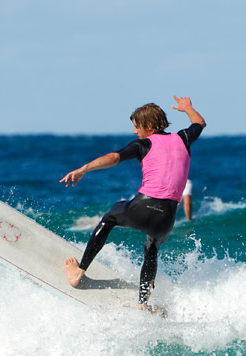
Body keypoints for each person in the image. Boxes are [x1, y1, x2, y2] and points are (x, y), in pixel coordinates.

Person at [60, 95, 206, 312]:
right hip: (167, 218)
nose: (135, 132)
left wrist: (84, 169)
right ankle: (142, 304)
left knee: (110, 217)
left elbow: (114, 156)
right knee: (151, 248)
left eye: (137, 127)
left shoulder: (143, 144)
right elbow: (199, 123)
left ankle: (79, 272)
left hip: (143, 207)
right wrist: (187, 107)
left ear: (148, 126)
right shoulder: (183, 138)